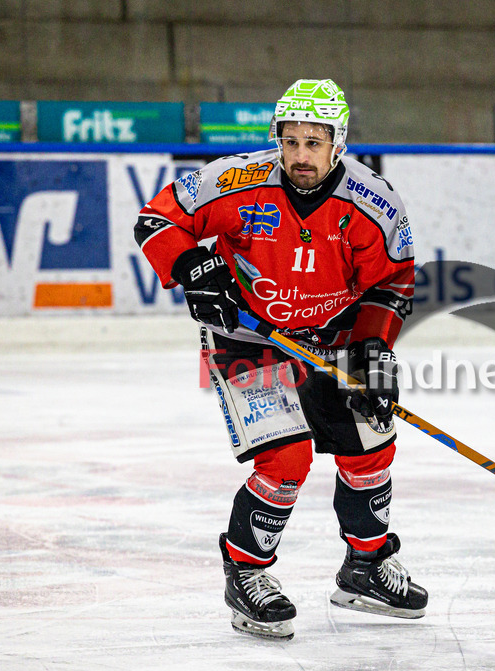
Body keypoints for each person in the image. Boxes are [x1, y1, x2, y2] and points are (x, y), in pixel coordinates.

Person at [134, 78, 426, 640]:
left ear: (338, 143)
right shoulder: (235, 180)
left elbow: (392, 283)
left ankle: (365, 566)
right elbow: (157, 220)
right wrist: (192, 266)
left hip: (333, 335)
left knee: (369, 445)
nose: (299, 156)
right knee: (286, 462)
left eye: (313, 143)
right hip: (244, 336)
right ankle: (245, 572)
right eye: (289, 142)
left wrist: (373, 350)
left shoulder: (373, 201)